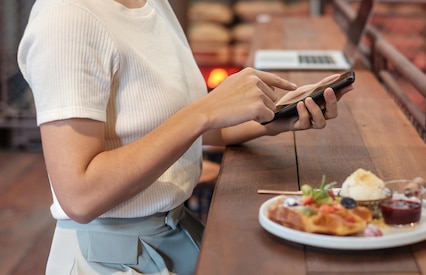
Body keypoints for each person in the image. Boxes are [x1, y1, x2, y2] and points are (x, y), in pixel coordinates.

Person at [17, 0, 353, 274]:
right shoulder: (67, 19)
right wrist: (206, 109)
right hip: (111, 259)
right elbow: (80, 196)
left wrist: (273, 115)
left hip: (176, 233)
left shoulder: (152, 4)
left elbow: (179, 131)